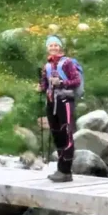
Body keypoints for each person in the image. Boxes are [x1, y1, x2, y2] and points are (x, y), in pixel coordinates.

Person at [38, 36, 81, 183]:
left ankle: (66, 170)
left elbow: (76, 81)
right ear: (47, 48)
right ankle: (60, 169)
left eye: (56, 45)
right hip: (51, 103)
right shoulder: (47, 66)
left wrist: (62, 82)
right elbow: (45, 85)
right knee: (57, 135)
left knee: (66, 134)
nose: (54, 48)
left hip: (65, 101)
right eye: (51, 45)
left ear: (60, 47)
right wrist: (41, 87)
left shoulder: (67, 63)